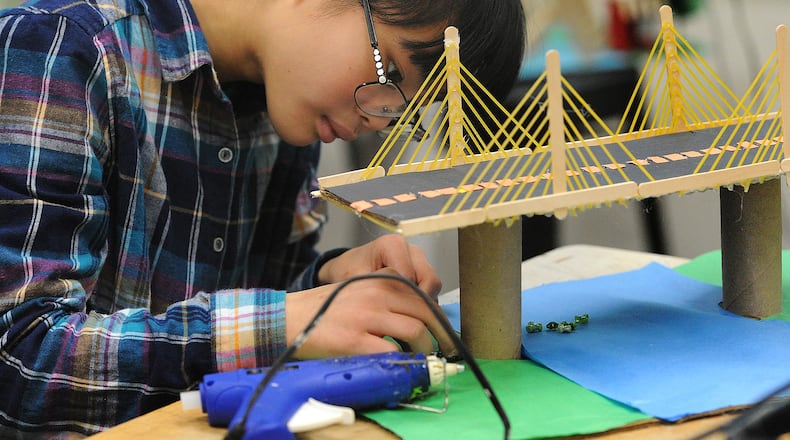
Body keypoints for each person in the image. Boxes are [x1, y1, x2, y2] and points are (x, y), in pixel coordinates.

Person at [0, 0, 525, 437]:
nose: (376, 117)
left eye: (404, 110)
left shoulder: (287, 105)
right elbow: (21, 360)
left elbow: (246, 301)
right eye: (388, 74)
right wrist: (282, 325)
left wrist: (325, 287)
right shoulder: (61, 49)